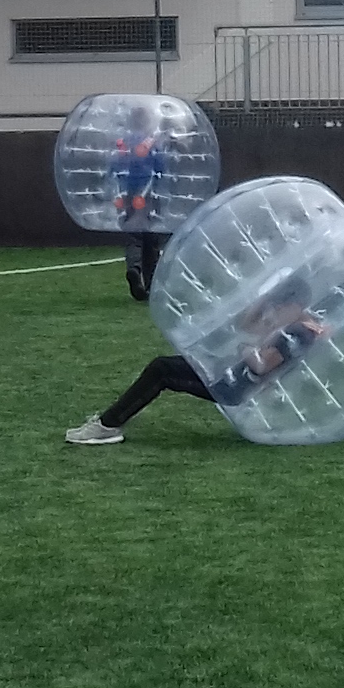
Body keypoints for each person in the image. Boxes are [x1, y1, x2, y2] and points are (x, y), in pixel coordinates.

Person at [63, 278, 325, 445]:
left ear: (296, 304)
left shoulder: (299, 333)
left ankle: (107, 426)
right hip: (226, 370)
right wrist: (263, 300)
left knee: (162, 370)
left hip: (232, 386)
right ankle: (110, 421)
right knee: (165, 367)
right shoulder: (296, 323)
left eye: (281, 305)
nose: (276, 311)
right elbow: (246, 325)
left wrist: (246, 348)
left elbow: (261, 365)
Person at [110, 104, 170, 302]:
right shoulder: (151, 142)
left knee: (133, 236)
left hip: (127, 193)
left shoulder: (123, 142)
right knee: (151, 239)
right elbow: (161, 167)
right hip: (148, 193)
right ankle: (151, 283)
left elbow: (113, 166)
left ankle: (133, 269)